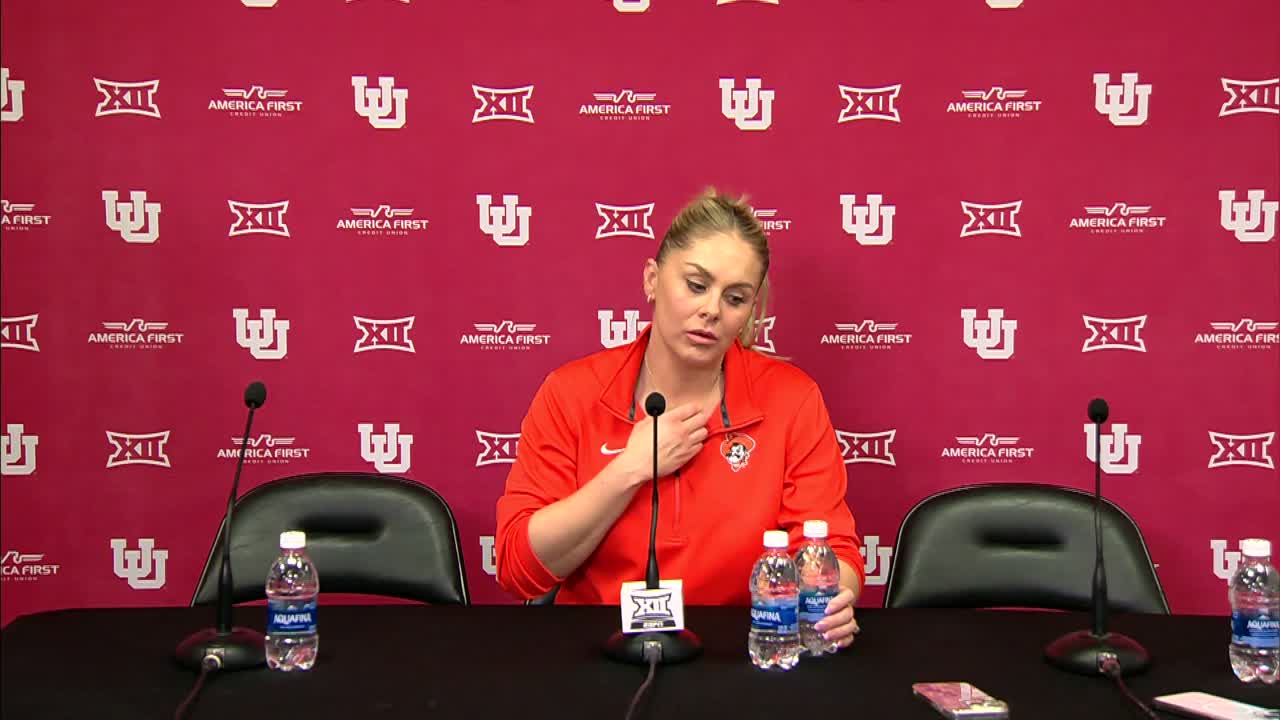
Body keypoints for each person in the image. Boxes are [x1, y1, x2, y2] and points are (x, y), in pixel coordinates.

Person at [494, 189, 864, 649]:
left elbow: (834, 551)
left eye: (735, 297)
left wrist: (829, 598)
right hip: (598, 650)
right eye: (695, 285)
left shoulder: (792, 399)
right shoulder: (571, 393)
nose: (711, 309)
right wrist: (629, 469)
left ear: (751, 311)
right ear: (652, 279)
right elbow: (517, 568)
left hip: (742, 650)